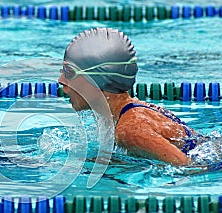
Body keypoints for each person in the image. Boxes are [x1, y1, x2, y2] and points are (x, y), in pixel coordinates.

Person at [58, 27, 197, 166]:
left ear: (99, 78)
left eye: (69, 73)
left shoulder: (130, 130)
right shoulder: (127, 113)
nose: (61, 80)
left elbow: (189, 168)